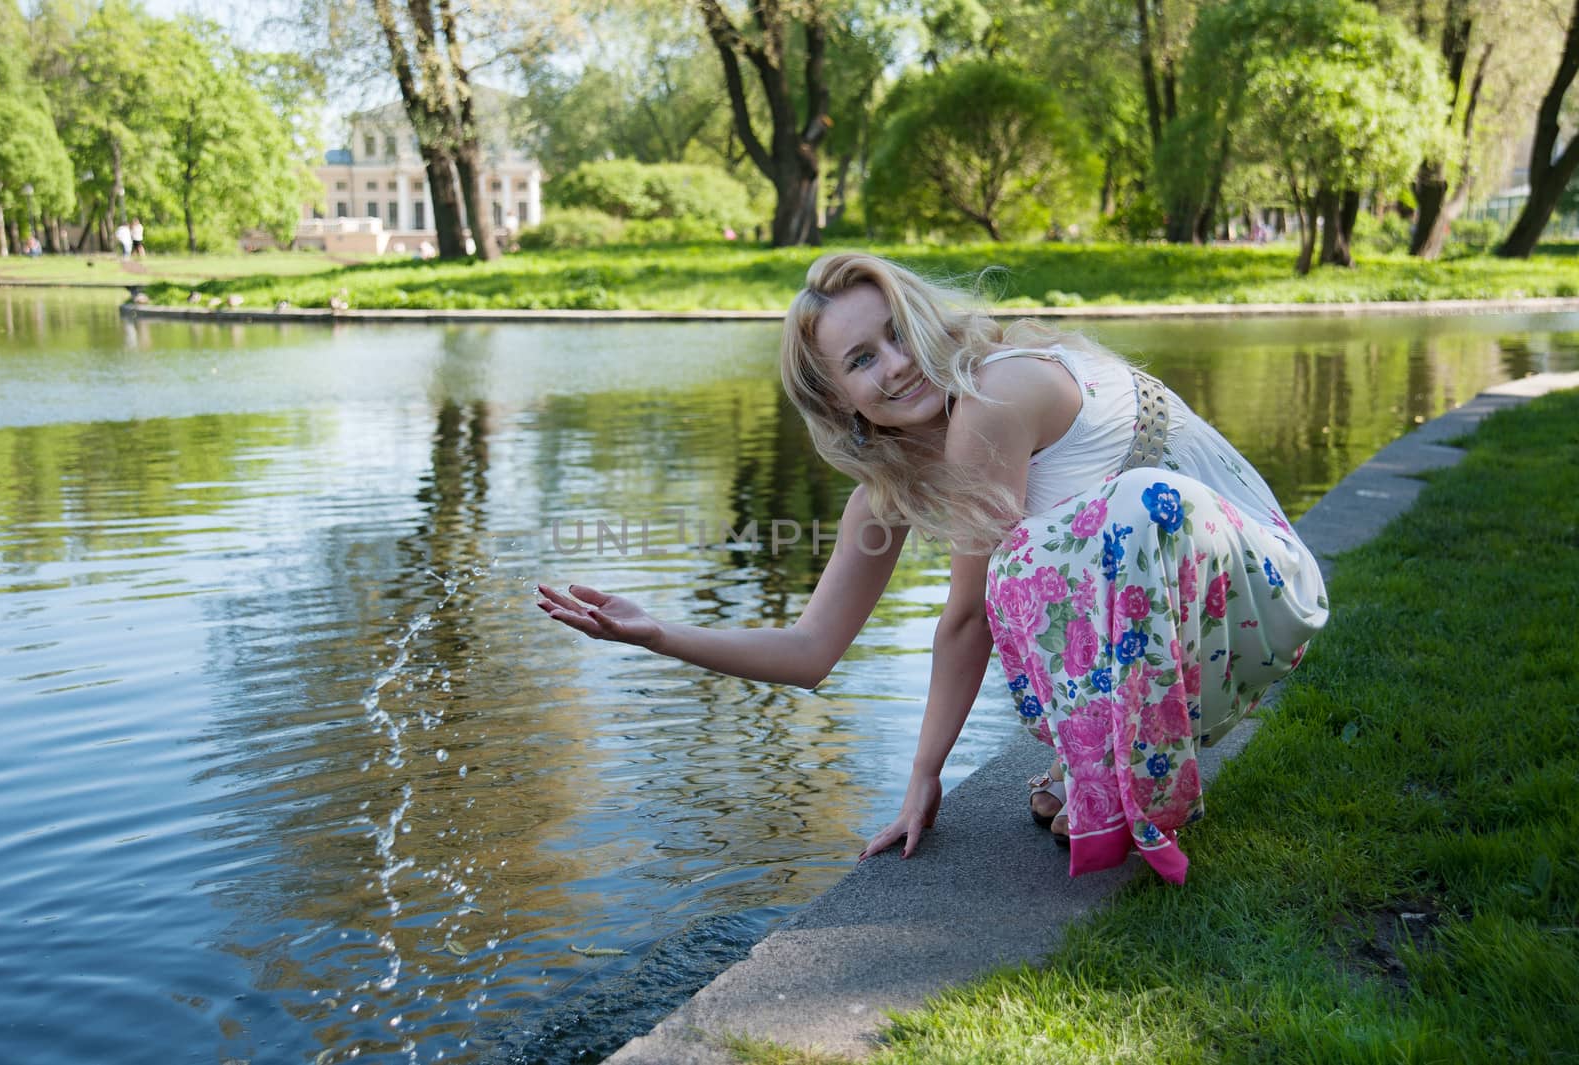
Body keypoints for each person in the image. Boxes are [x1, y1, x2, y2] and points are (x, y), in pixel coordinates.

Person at [537, 253, 1327, 885]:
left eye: (897, 333)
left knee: (1030, 559)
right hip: (1198, 628)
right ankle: (1101, 761)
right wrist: (660, 635)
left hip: (1263, 596)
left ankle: (1124, 782)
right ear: (838, 397)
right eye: (860, 359)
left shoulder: (996, 393)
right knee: (1039, 556)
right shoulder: (891, 485)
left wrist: (923, 772)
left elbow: (969, 614)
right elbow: (813, 651)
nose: (895, 364)